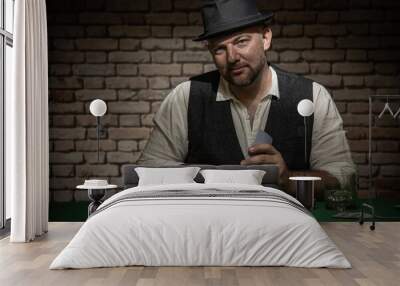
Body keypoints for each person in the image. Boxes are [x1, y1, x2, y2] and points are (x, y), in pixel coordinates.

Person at [137, 0, 355, 196]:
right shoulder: (185, 97)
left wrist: (287, 179)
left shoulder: (313, 96)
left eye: (241, 42)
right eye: (220, 49)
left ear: (266, 38)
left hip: (286, 227)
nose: (232, 58)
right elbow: (149, 172)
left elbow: (344, 179)